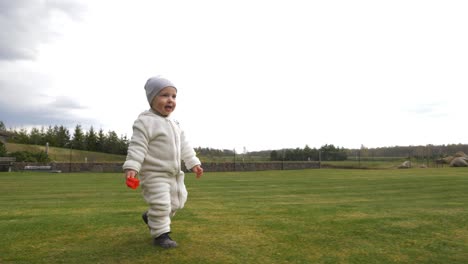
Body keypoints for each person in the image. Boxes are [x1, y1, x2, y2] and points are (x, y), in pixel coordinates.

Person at [123, 76, 203, 249]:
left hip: (174, 175)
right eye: (164, 95)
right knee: (161, 204)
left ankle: (151, 217)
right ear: (152, 99)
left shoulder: (175, 124)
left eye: (173, 96)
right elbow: (137, 146)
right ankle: (161, 235)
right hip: (154, 175)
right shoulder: (145, 122)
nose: (170, 100)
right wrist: (132, 166)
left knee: (177, 202)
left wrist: (193, 163)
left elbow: (185, 147)